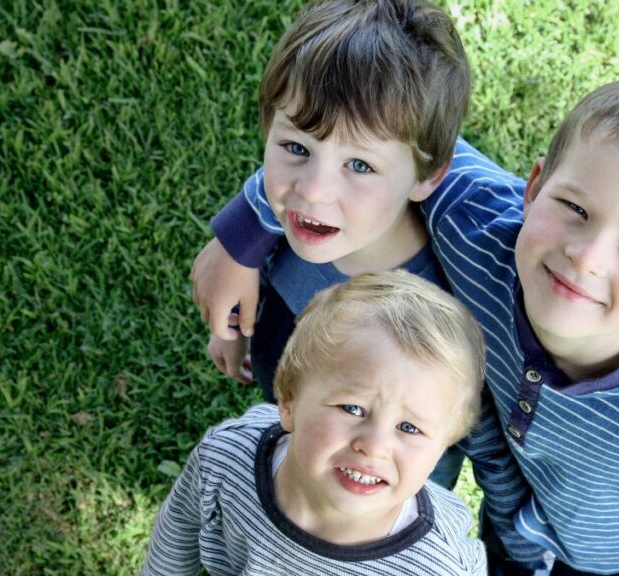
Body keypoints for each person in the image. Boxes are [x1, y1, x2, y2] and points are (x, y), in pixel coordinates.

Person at [197, 76, 619, 574]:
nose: (587, 254)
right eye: (574, 207)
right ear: (532, 188)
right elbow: (374, 138)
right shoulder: (478, 218)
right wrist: (241, 237)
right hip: (509, 519)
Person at [190, 0, 471, 490]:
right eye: (296, 148)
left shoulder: (441, 310)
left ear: (427, 176)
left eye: (360, 166)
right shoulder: (297, 224)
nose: (312, 191)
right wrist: (233, 326)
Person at [144, 271, 488, 575]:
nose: (374, 445)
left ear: (445, 444)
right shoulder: (225, 457)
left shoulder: (438, 565)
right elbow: (178, 532)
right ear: (289, 401)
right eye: (352, 408)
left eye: (410, 428)